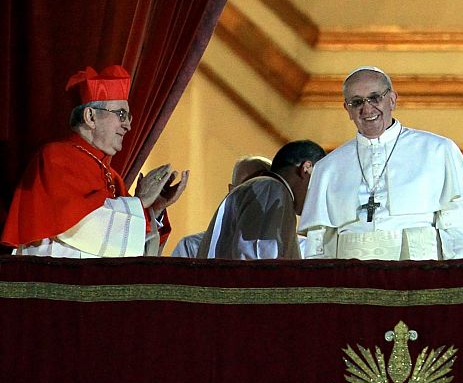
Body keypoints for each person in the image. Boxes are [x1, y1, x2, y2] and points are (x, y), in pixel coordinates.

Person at [1, 65, 188, 257]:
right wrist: (139, 203)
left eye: (129, 116)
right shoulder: (55, 157)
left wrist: (153, 208)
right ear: (90, 117)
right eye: (121, 114)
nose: (129, 125)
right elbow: (80, 228)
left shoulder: (114, 177)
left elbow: (130, 248)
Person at [299, 66, 463, 260]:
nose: (367, 109)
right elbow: (318, 243)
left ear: (392, 100)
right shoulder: (328, 167)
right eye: (357, 102)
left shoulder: (438, 150)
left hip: (420, 274)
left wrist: (460, 278)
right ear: (348, 109)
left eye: (375, 97)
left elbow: (458, 227)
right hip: (353, 280)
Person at [197, 140, 325, 260]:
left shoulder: (265, 188)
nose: (321, 194)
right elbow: (259, 259)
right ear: (306, 168)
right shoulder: (271, 188)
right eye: (322, 181)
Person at [171, 155, 272, 258]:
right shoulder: (192, 248)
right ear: (231, 192)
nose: (252, 197)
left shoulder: (284, 251)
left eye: (262, 189)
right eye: (245, 188)